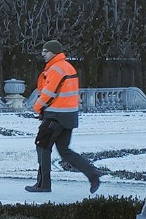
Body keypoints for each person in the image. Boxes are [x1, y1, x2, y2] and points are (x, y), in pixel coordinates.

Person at [28, 39, 100, 194]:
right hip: (69, 117)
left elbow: (48, 93)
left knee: (42, 146)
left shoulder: (56, 69)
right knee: (64, 151)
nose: (43, 55)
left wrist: (37, 107)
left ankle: (43, 185)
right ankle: (93, 174)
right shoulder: (68, 67)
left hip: (55, 116)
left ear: (54, 52)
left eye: (46, 52)